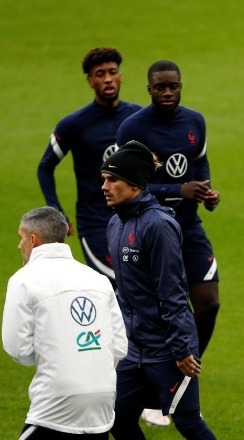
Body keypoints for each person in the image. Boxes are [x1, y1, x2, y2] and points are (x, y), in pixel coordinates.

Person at [101, 140, 216, 440]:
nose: (104, 186)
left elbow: (172, 290)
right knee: (116, 418)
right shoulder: (115, 224)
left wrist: (180, 348)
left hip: (167, 348)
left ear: (134, 183)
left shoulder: (158, 225)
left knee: (188, 423)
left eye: (112, 179)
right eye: (104, 179)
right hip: (133, 349)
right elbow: (124, 292)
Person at [116, 59, 220, 362]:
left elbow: (199, 160)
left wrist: (205, 190)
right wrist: (178, 190)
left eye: (172, 86)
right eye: (160, 87)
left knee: (209, 301)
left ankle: (189, 361)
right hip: (148, 228)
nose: (167, 92)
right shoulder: (133, 128)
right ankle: (150, 366)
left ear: (180, 86)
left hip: (188, 225)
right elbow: (126, 184)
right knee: (157, 309)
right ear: (149, 89)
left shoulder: (195, 121)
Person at [2, 206, 128, 439]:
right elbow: (120, 347)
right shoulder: (98, 279)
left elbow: (18, 350)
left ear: (33, 240)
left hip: (56, 401)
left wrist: (55, 350)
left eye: (21, 238)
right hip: (103, 400)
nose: (19, 245)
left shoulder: (23, 280)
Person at [37, 47, 142, 287]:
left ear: (120, 76)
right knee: (117, 287)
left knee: (142, 288)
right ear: (90, 81)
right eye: (100, 74)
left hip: (136, 218)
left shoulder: (137, 117)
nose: (108, 78)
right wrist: (57, 211)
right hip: (96, 224)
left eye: (112, 72)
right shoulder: (74, 124)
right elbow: (45, 167)